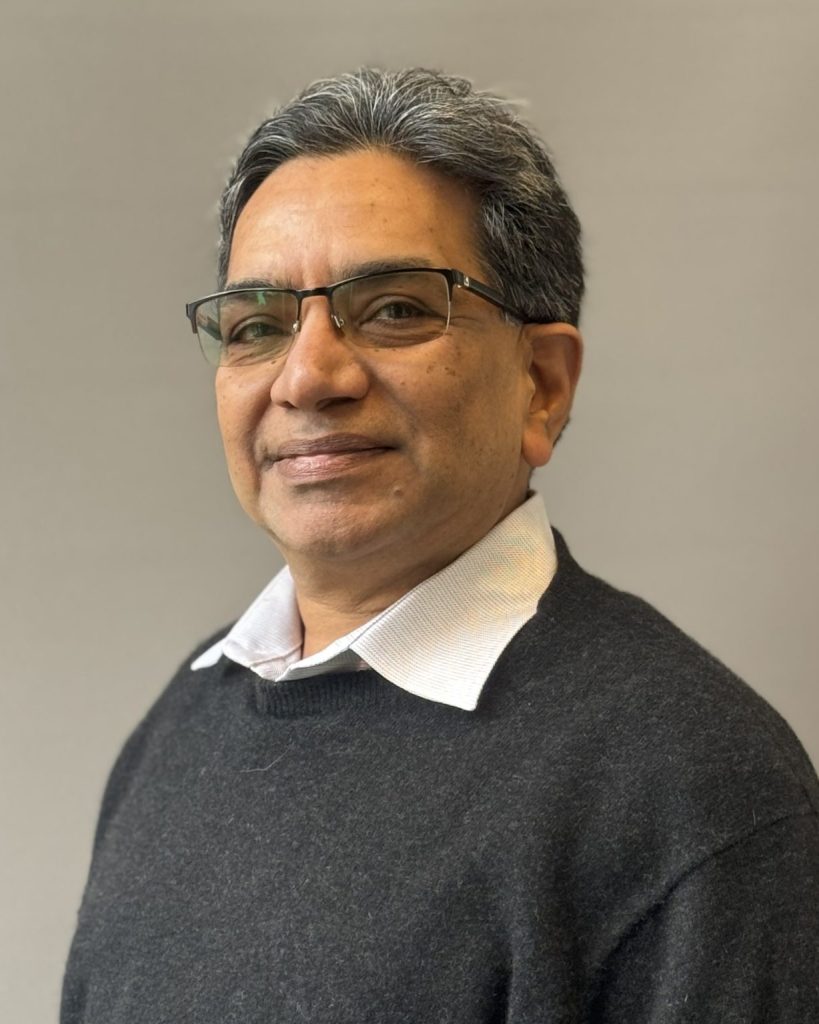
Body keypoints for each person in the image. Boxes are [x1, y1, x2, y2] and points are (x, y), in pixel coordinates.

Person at [62, 68, 819, 1023]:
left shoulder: (689, 786)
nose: (307, 377)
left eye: (395, 309)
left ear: (541, 384)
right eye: (257, 325)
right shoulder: (186, 718)